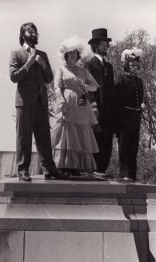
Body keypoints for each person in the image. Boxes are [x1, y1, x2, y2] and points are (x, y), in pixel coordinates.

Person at [9, 22, 69, 181]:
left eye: (35, 31)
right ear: (23, 34)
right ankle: (23, 170)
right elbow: (13, 76)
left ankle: (49, 169)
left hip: (41, 102)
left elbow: (49, 78)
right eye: (30, 31)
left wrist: (43, 65)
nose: (34, 34)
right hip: (24, 103)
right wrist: (28, 63)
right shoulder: (16, 53)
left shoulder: (43, 54)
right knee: (24, 137)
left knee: (44, 137)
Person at [51, 36, 100, 175]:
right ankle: (64, 165)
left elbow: (94, 87)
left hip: (82, 104)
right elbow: (56, 87)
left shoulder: (83, 70)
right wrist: (62, 102)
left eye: (74, 53)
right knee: (67, 131)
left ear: (77, 55)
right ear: (65, 55)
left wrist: (84, 85)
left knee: (81, 131)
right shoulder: (61, 69)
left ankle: (77, 166)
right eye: (70, 53)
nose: (72, 55)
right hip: (67, 102)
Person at [85, 28, 117, 177]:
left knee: (107, 140)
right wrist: (93, 105)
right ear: (96, 45)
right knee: (96, 138)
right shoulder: (89, 65)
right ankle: (95, 169)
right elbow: (87, 88)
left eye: (107, 44)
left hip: (109, 111)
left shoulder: (109, 67)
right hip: (96, 109)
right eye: (104, 44)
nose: (107, 46)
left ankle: (102, 170)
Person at [114, 48, 145, 182]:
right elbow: (116, 98)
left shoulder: (139, 81)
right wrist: (120, 117)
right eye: (132, 64)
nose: (134, 66)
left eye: (136, 65)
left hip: (136, 116)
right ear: (127, 65)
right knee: (124, 145)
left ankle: (132, 174)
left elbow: (141, 97)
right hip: (124, 115)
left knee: (134, 145)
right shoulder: (121, 78)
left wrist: (141, 106)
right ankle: (124, 173)